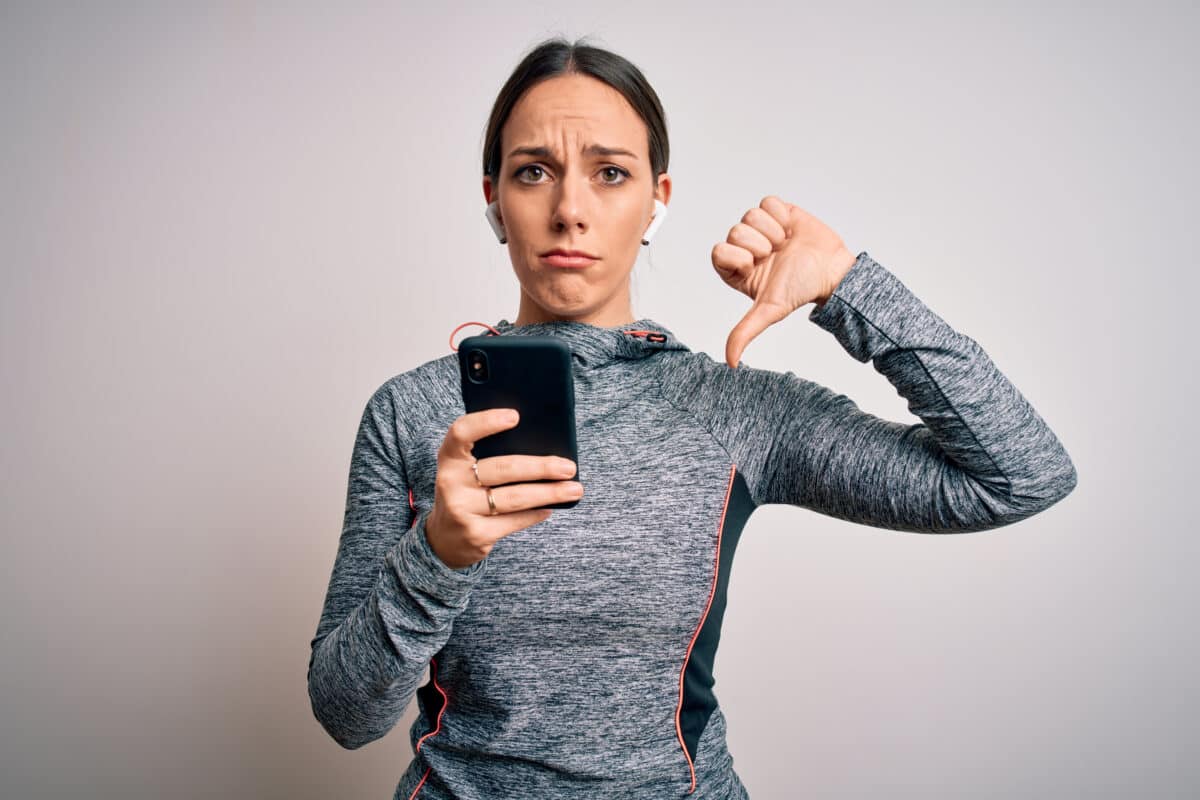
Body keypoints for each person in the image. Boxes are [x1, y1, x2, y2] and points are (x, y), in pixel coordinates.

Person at [307, 36, 1078, 800]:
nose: (570, 210)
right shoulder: (410, 414)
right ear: (494, 201)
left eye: (610, 173)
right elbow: (345, 713)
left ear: (657, 202)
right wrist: (438, 553)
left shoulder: (732, 409)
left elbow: (1020, 477)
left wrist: (845, 288)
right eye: (534, 171)